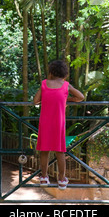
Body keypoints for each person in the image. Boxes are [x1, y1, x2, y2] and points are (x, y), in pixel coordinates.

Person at [33, 60, 85, 190]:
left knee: (44, 150)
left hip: (45, 122)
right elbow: (81, 97)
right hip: (58, 123)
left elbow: (35, 101)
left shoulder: (44, 84)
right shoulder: (66, 85)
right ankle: (62, 180)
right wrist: (68, 99)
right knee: (60, 151)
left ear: (50, 72)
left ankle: (44, 178)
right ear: (65, 74)